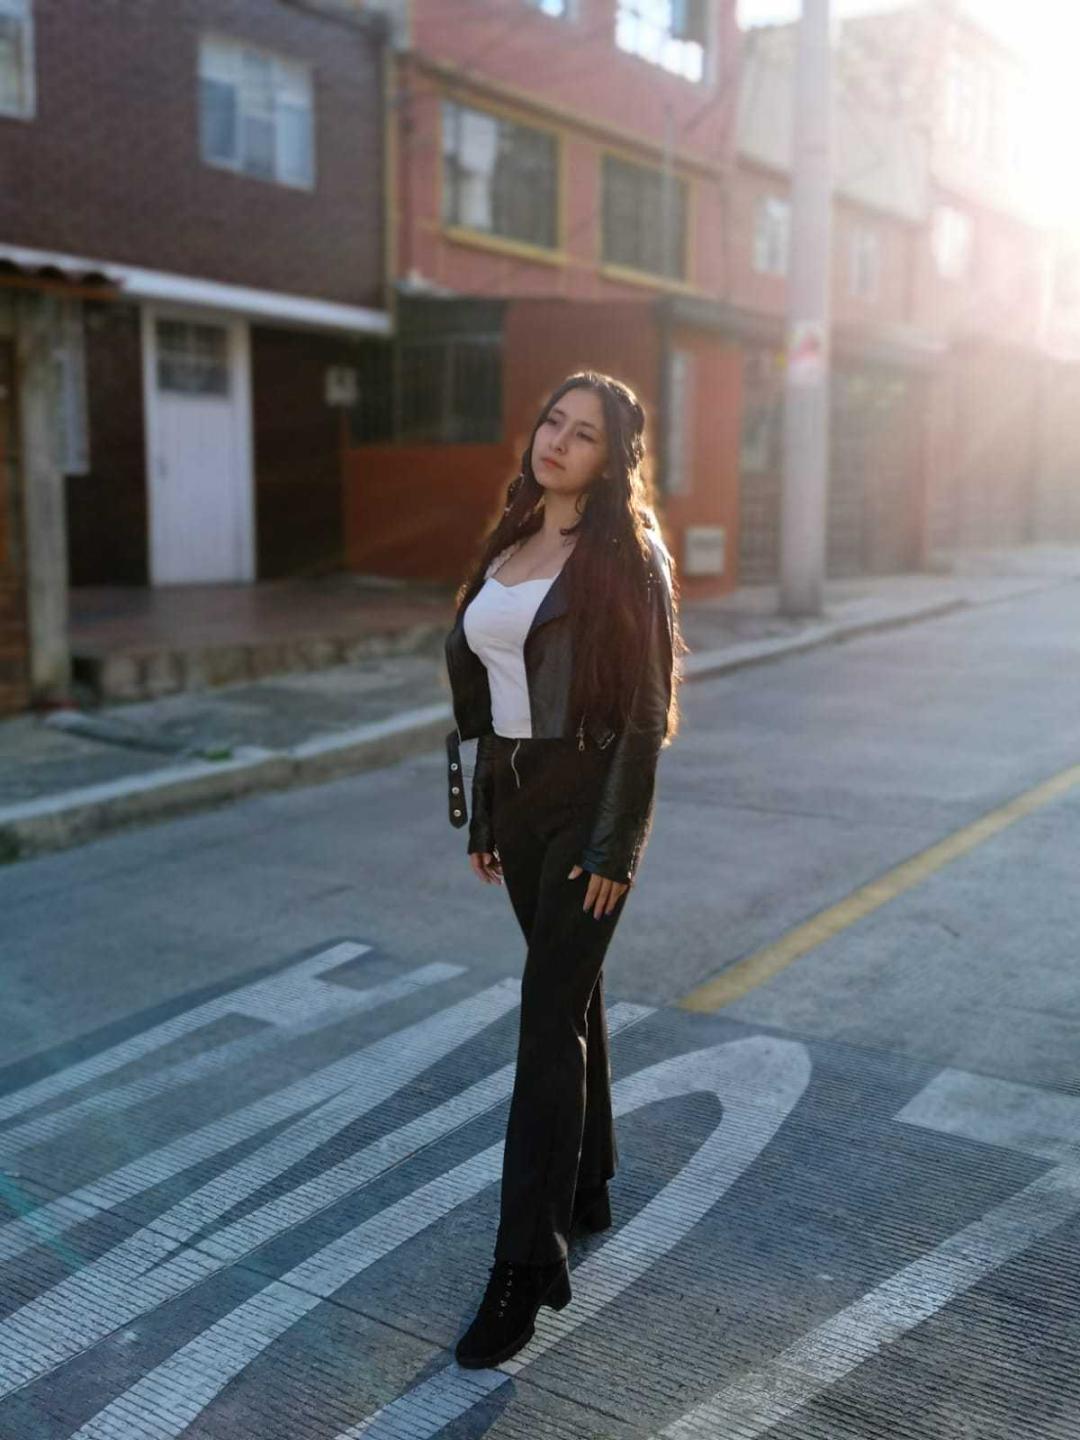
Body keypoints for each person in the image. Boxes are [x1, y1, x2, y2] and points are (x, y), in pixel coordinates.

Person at [443, 370, 685, 1369]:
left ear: (611, 458)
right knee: (569, 998)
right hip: (520, 799)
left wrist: (614, 845)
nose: (559, 440)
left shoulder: (626, 558)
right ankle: (586, 1183)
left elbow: (645, 709)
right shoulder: (511, 540)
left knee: (546, 1024)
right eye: (554, 421)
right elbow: (494, 686)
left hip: (590, 805)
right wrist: (485, 807)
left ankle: (525, 1265)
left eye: (584, 433)